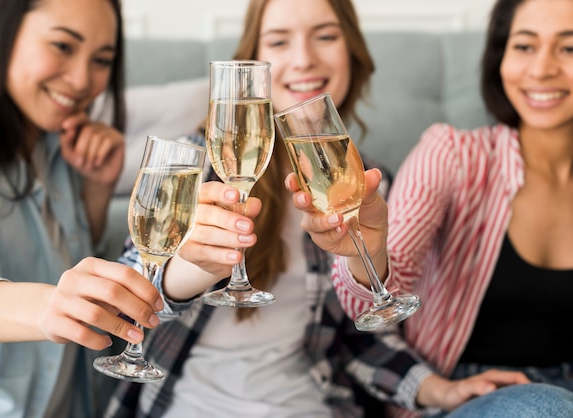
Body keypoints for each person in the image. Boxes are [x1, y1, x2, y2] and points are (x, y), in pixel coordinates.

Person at [103, 0, 410, 416]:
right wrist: (189, 270)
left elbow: (365, 343)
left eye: (325, 36)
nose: (304, 59)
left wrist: (431, 390)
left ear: (352, 52)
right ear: (253, 65)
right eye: (279, 40)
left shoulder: (371, 185)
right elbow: (128, 288)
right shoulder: (196, 160)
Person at [287, 0, 573, 416]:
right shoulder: (452, 154)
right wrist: (372, 255)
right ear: (500, 57)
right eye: (524, 47)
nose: (542, 69)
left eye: (569, 48)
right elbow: (378, 306)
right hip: (472, 396)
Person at [0, 0, 164, 417]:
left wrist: (97, 195)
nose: (83, 80)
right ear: (3, 37)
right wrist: (45, 308)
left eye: (102, 60)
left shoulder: (57, 151)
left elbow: (67, 266)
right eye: (63, 46)